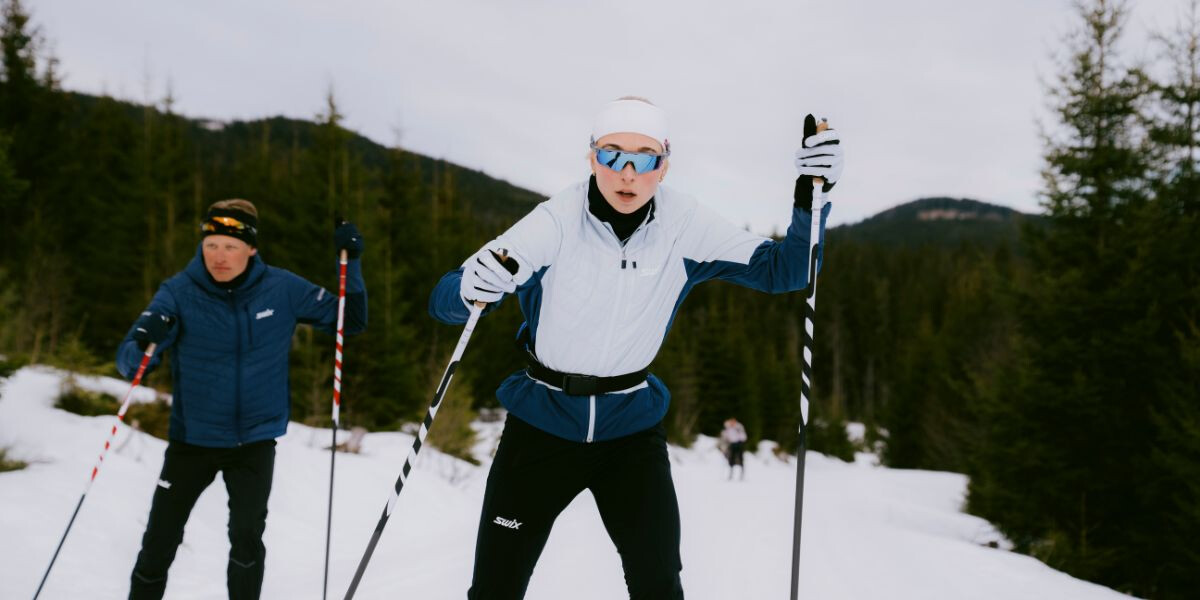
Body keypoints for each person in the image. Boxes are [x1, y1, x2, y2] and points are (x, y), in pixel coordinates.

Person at [428, 97, 844, 599]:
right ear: (592, 158)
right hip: (540, 427)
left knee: (658, 585)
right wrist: (471, 288)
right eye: (612, 155)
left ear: (664, 166)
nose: (627, 173)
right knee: (495, 588)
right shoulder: (554, 221)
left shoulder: (685, 225)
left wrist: (812, 197)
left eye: (645, 159)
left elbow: (788, 271)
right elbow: (446, 301)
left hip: (630, 435)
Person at [116, 199, 367, 600]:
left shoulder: (282, 288)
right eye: (211, 245)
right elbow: (132, 365)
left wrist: (350, 263)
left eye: (230, 246)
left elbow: (349, 321)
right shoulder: (178, 292)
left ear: (251, 248)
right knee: (159, 540)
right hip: (192, 441)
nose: (219, 256)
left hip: (254, 442)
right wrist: (144, 340)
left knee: (247, 540)